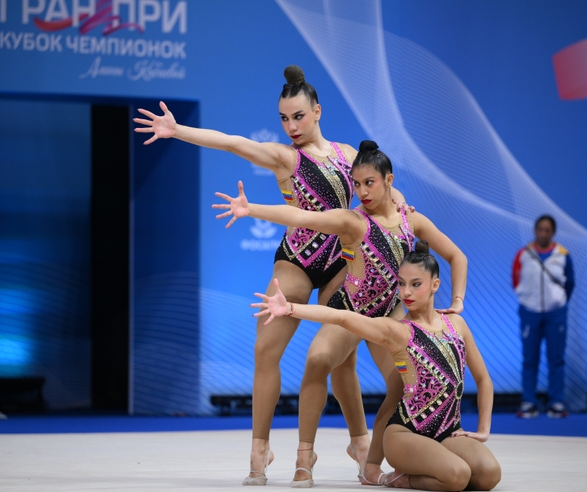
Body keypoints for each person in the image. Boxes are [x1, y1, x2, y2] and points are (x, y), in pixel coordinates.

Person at [134, 66, 407, 485]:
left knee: (342, 359)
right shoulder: (285, 158)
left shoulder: (348, 156)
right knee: (266, 348)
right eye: (283, 118)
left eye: (298, 116)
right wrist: (178, 130)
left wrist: (401, 213)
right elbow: (233, 144)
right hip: (296, 260)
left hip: (340, 264)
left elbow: (383, 192)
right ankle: (260, 445)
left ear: (317, 111)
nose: (290, 126)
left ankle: (358, 441)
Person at [214, 141, 467, 487]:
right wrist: (251, 209)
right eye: (357, 184)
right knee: (318, 359)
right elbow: (302, 216)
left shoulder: (413, 220)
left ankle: (373, 461)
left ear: (389, 180)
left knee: (400, 385)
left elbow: (457, 257)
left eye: (370, 183)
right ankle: (306, 457)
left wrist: (457, 300)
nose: (361, 192)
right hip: (350, 309)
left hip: (390, 315)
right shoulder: (352, 221)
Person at [251, 241, 500, 491]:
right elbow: (342, 316)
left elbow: (483, 380)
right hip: (407, 435)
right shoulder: (398, 330)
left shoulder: (457, 325)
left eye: (416, 284)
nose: (407, 293)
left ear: (435, 284)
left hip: (448, 432)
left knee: (489, 475)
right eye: (401, 284)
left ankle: (437, 462)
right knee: (457, 476)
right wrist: (291, 308)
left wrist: (483, 430)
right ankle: (399, 479)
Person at [512, 215, 575, 418]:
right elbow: (515, 279)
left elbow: (570, 283)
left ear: (553, 233)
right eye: (540, 229)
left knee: (556, 359)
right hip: (530, 312)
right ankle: (529, 401)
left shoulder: (563, 255)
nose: (543, 233)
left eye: (547, 230)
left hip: (555, 313)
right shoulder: (524, 254)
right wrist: (525, 297)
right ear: (535, 230)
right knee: (529, 359)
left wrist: (558, 301)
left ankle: (556, 402)